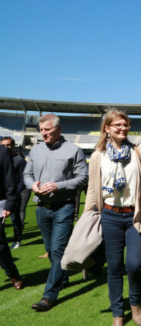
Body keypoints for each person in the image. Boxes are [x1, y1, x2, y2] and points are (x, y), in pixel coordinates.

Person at [83, 109, 141, 326]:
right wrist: (87, 216)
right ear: (106, 128)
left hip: (137, 216)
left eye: (125, 124)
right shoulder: (98, 156)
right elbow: (92, 189)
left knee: (134, 265)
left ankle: (135, 303)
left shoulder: (138, 151)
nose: (123, 128)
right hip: (110, 216)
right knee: (114, 267)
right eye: (117, 125)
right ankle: (118, 312)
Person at [23, 114, 88, 311]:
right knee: (51, 251)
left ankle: (49, 296)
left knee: (58, 250)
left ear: (58, 129)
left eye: (48, 130)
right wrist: (32, 185)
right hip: (42, 208)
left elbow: (83, 178)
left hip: (64, 208)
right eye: (42, 130)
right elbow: (27, 174)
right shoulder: (36, 150)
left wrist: (57, 186)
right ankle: (64, 276)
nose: (44, 133)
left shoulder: (74, 150)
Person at [0, 145, 23, 290]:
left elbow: (9, 178)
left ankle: (12, 273)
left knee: (0, 245)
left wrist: (9, 203)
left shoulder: (2, 151)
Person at [1, 136, 26, 249]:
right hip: (3, 194)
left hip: (14, 193)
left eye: (8, 145)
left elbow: (23, 178)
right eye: (3, 145)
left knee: (15, 218)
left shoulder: (19, 160)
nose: (6, 147)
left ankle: (17, 239)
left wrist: (16, 192)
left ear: (13, 145)